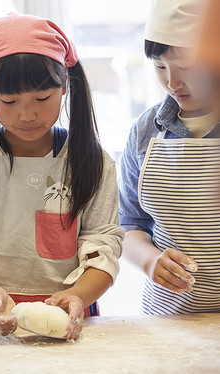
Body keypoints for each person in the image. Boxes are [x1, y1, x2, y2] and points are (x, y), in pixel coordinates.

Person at [0, 13, 124, 339]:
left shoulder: (92, 162)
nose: (27, 114)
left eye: (41, 98)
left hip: (70, 315)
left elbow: (104, 247)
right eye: (9, 101)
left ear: (64, 83)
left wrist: (78, 295)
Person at [119, 0, 220, 315]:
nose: (172, 83)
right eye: (160, 66)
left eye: (187, 67)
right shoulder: (146, 131)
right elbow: (129, 224)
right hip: (168, 318)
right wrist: (150, 261)